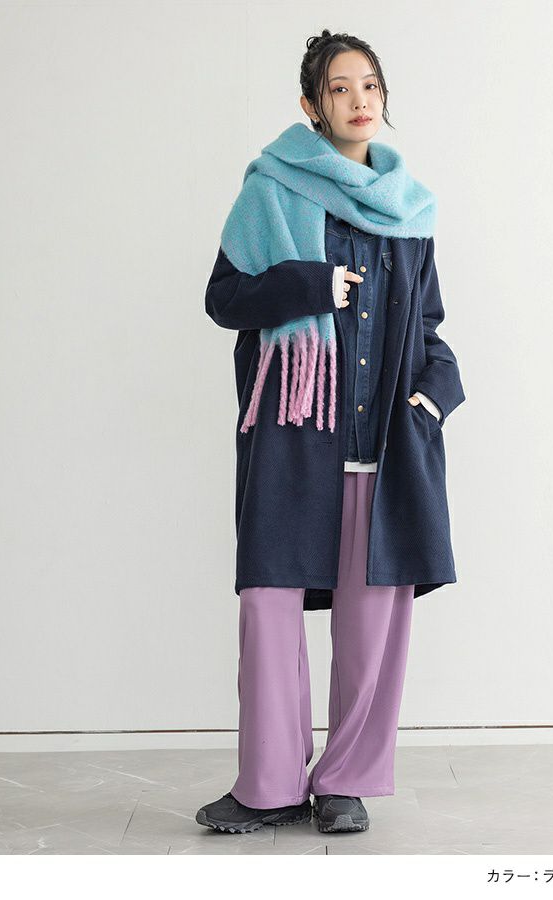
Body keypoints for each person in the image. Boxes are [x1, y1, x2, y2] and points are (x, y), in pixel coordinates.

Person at [196, 29, 466, 835]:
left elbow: (430, 330)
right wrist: (309, 284)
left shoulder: (410, 210)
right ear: (311, 105)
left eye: (370, 86)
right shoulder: (271, 192)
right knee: (269, 604)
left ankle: (345, 781)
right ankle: (269, 784)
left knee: (371, 623)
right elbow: (223, 301)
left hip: (386, 448)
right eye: (340, 88)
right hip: (294, 435)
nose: (359, 101)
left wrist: (433, 399)